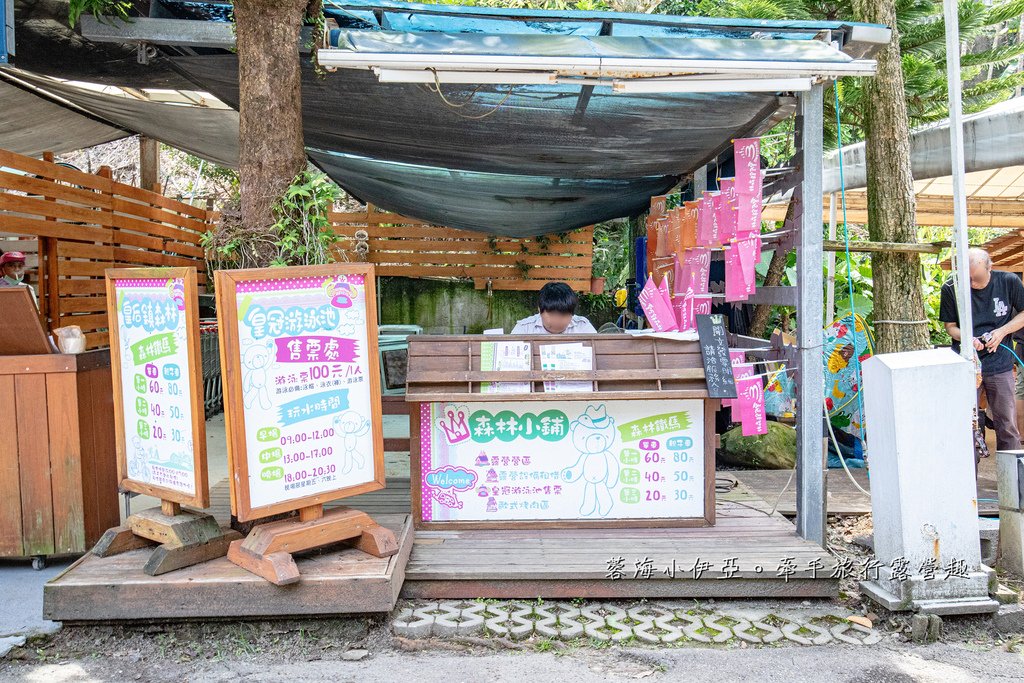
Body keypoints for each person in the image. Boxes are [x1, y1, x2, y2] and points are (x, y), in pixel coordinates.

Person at [939, 247, 1024, 451]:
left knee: (1006, 424)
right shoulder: (951, 287)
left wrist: (1002, 331)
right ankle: (969, 478)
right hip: (968, 363)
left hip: (1001, 363)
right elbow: (950, 327)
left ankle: (1011, 479)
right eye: (967, 279)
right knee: (969, 424)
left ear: (989, 267)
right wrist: (968, 339)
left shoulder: (1008, 281)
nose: (971, 284)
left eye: (976, 278)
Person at [511, 282, 596, 335]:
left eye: (563, 314)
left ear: (572, 313)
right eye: (552, 314)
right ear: (540, 310)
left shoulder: (583, 328)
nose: (557, 320)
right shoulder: (524, 329)